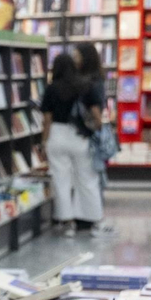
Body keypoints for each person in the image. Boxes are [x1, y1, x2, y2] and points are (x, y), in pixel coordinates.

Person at [41, 50, 106, 236]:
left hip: (57, 135)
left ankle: (67, 222)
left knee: (61, 180)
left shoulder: (51, 89)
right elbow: (96, 116)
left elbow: (47, 119)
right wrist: (95, 130)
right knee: (87, 179)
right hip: (79, 136)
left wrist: (44, 142)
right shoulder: (86, 86)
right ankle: (94, 219)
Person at [72, 40, 118, 234]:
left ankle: (92, 219)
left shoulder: (92, 82)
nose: (74, 59)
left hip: (88, 134)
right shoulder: (90, 80)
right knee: (88, 177)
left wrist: (97, 127)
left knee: (90, 178)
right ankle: (86, 218)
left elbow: (96, 111)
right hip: (86, 133)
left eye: (77, 55)